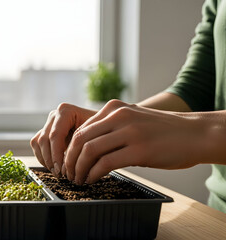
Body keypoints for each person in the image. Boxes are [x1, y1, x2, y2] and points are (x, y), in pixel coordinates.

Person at [30, 0, 226, 213]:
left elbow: (193, 121)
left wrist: (198, 132)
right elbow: (193, 90)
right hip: (216, 216)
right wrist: (109, 124)